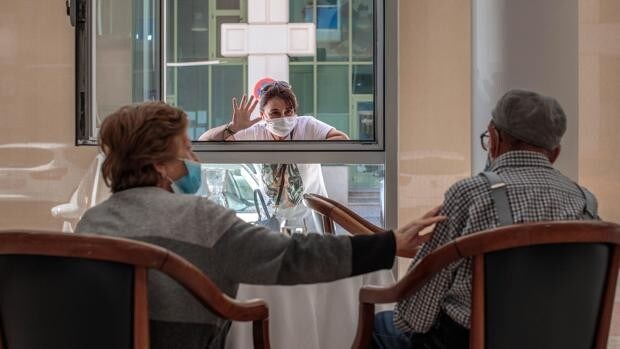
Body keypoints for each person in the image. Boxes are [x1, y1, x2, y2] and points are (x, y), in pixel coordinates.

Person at [74, 101, 446, 349]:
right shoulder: (200, 218)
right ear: (159, 165)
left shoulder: (92, 223)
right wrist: (388, 244)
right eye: (186, 148)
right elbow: (291, 257)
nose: (195, 156)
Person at [371, 89, 600, 349]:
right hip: (561, 341)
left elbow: (414, 318)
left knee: (379, 327)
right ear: (555, 153)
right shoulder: (586, 203)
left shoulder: (470, 194)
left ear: (493, 139)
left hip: (471, 341)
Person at [198, 80, 348, 232]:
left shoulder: (307, 125)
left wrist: (306, 150)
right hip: (272, 221)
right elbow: (204, 142)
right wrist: (232, 128)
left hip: (311, 220)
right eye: (275, 113)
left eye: (288, 111)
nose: (283, 117)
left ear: (295, 112)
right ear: (263, 115)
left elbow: (342, 141)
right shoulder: (255, 132)